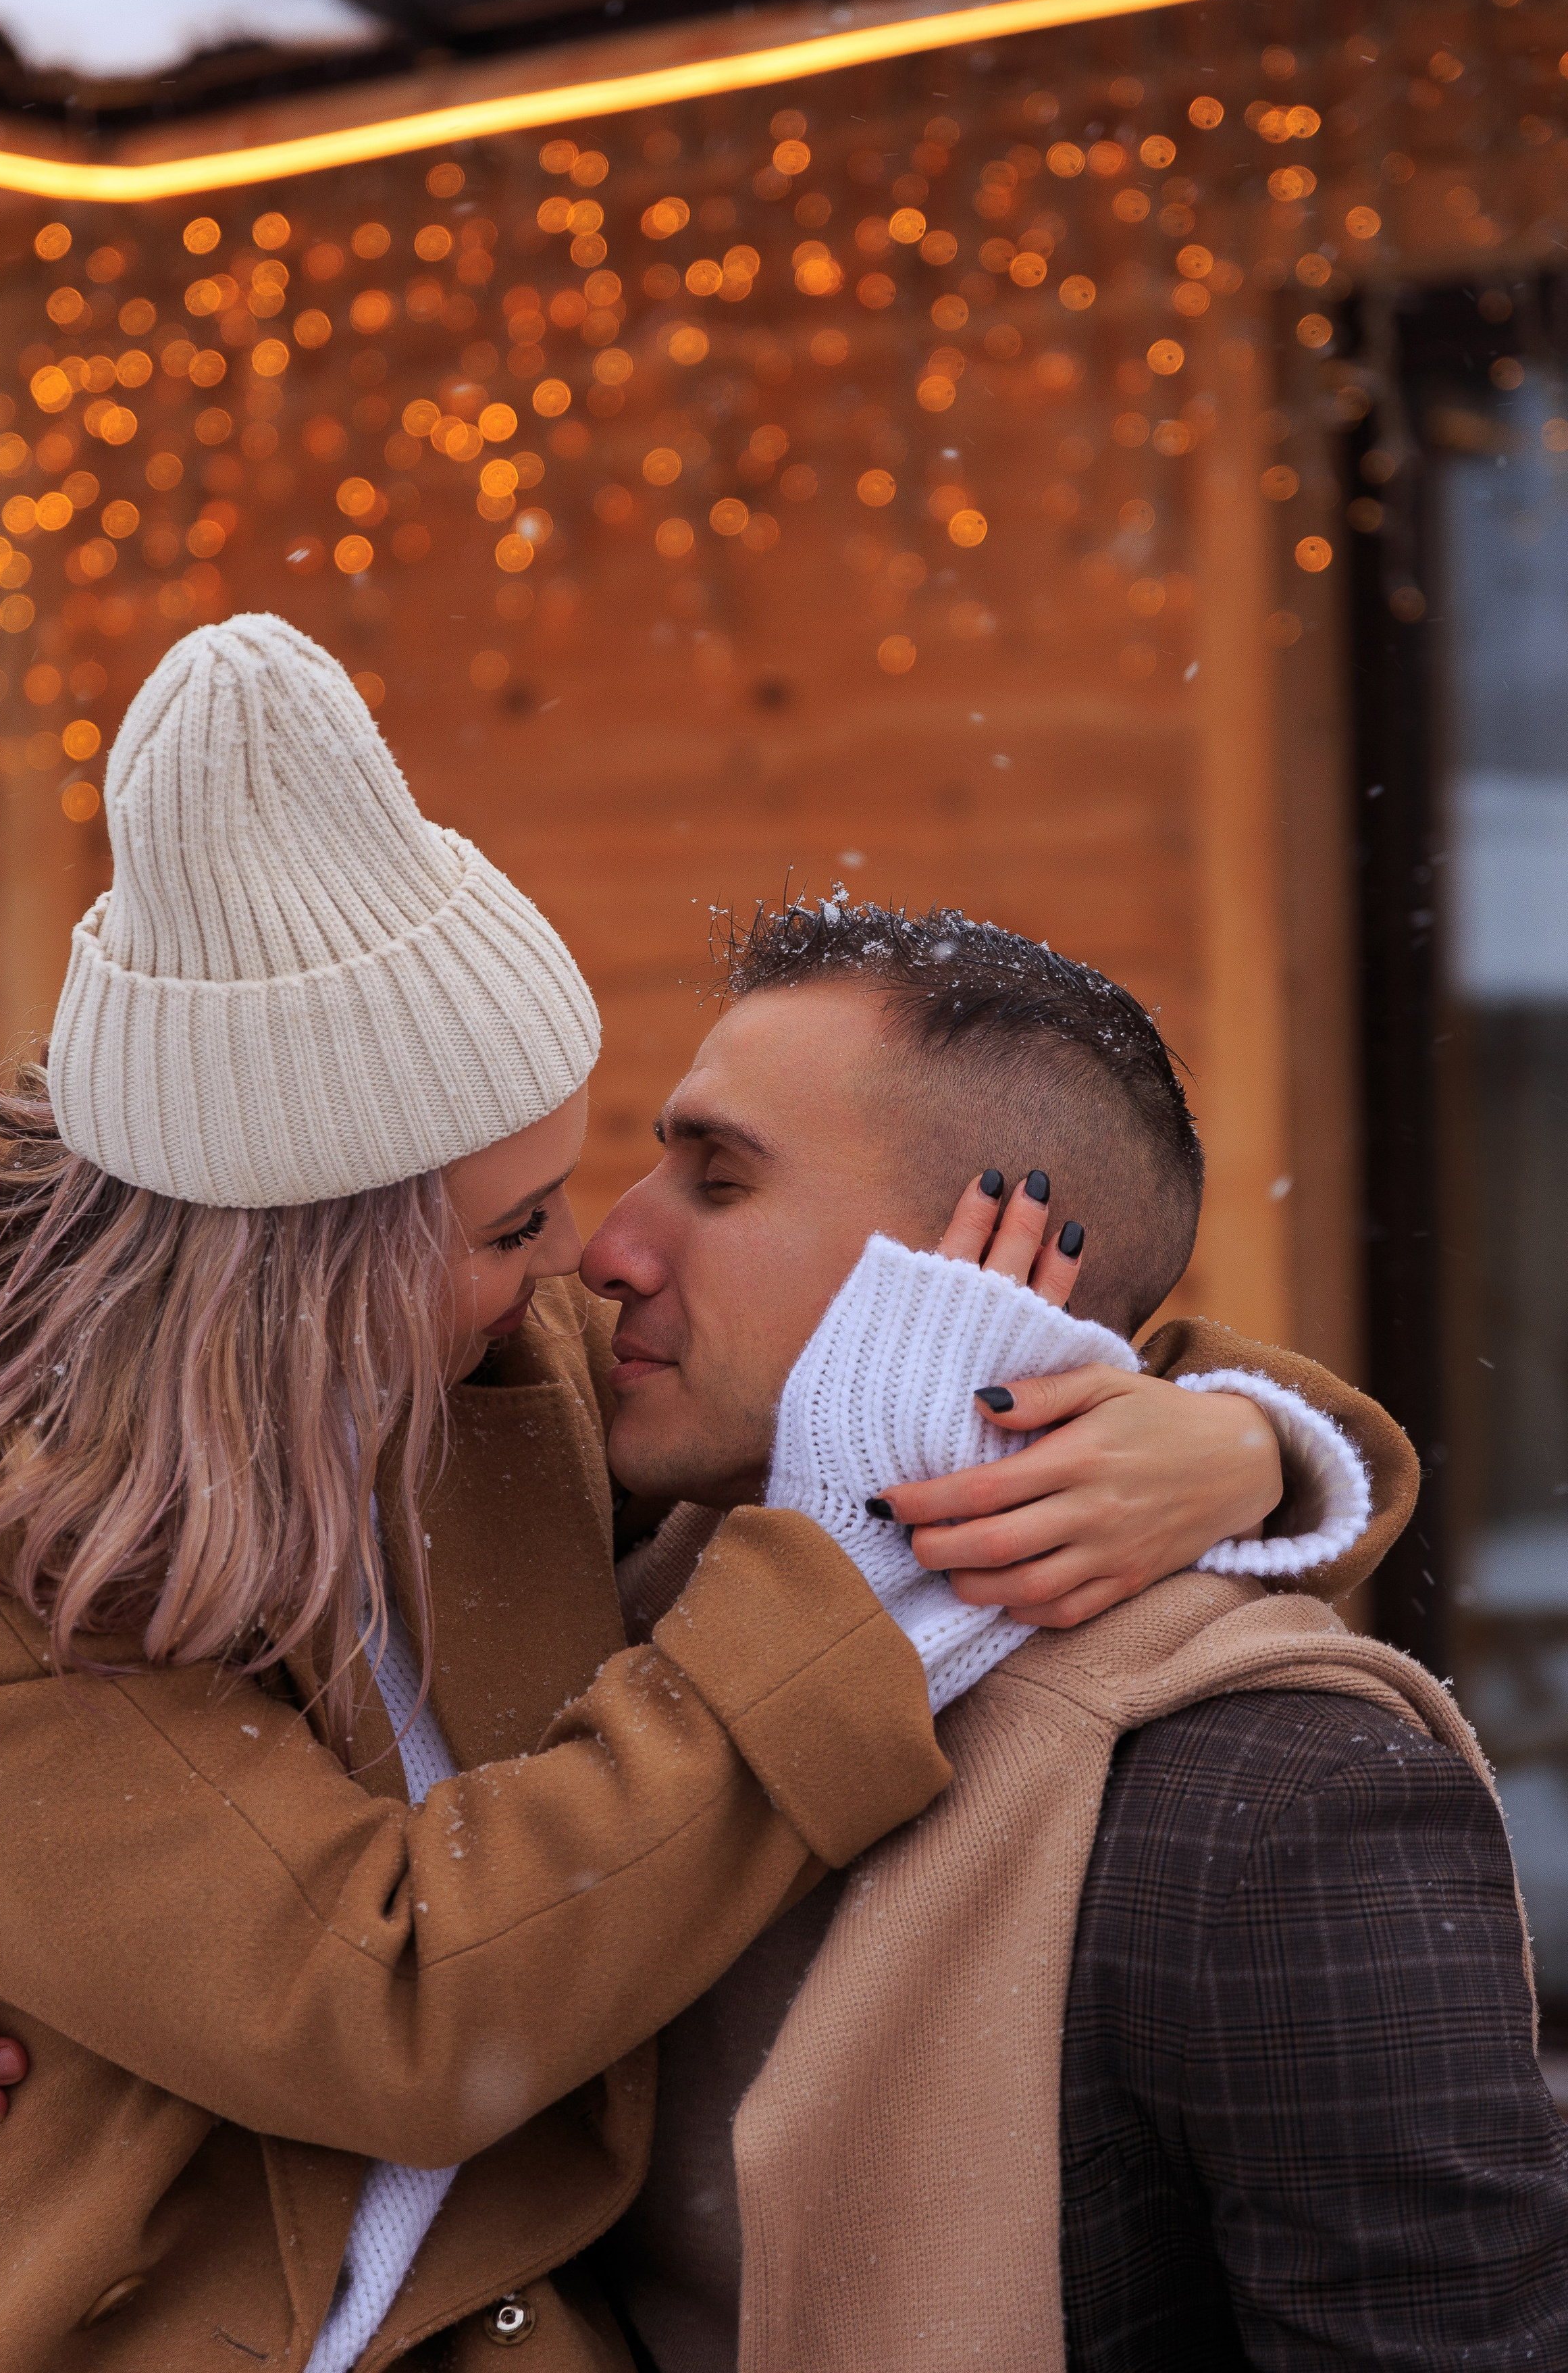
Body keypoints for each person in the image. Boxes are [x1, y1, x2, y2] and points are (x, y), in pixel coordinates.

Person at [0, 616, 1407, 2372]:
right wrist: (831, 1585)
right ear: (298, 1270)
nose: (583, 1264)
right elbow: (398, 2016)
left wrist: (1239, 1436)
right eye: (513, 1228)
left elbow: (939, 1351)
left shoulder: (510, 1372)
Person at [576, 897, 1568, 2371]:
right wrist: (1254, 1437)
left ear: (967, 1280)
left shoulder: (1279, 1800)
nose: (608, 1248)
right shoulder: (601, 1595)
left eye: (715, 1183)